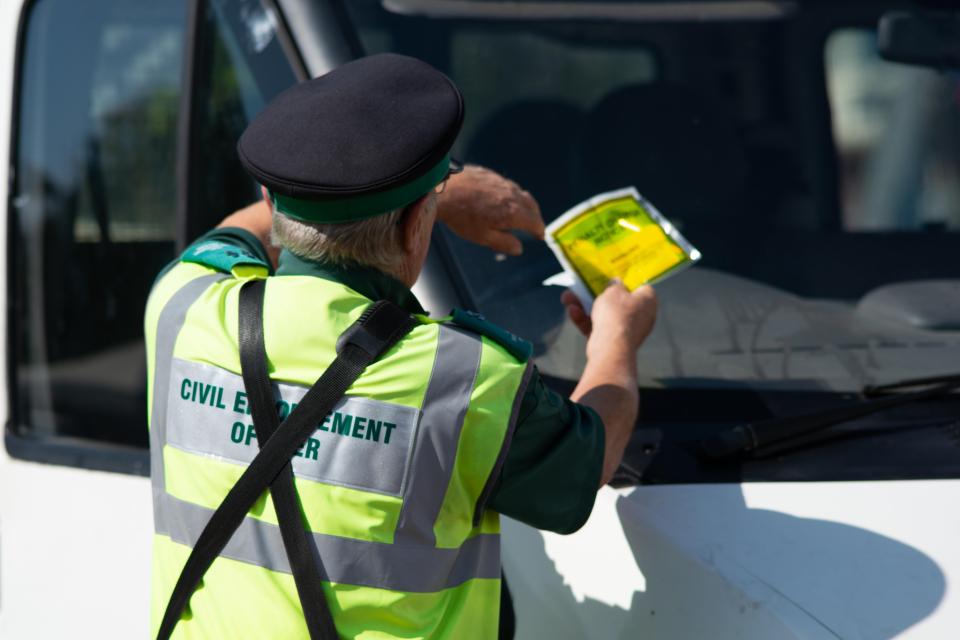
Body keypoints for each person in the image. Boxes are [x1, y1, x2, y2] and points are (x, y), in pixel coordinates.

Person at [145, 53, 657, 639]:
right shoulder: (465, 379)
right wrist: (617, 336)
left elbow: (242, 228)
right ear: (419, 225)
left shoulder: (181, 305)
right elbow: (588, 460)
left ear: (270, 193)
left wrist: (429, 193)